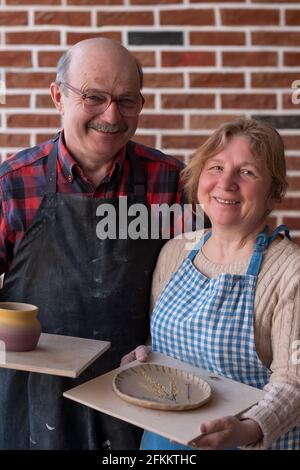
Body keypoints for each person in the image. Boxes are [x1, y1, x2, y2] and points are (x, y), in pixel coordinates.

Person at [0, 38, 186, 450]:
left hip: (139, 391)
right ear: (57, 97)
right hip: (36, 399)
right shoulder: (13, 183)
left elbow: (196, 288)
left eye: (126, 101)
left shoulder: (170, 182)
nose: (111, 115)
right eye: (94, 97)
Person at [122, 118, 300, 450]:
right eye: (216, 167)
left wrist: (247, 430)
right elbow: (161, 345)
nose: (226, 182)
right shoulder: (175, 252)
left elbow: (294, 382)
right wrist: (144, 358)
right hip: (165, 443)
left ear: (274, 193)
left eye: (247, 172)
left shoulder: (290, 271)